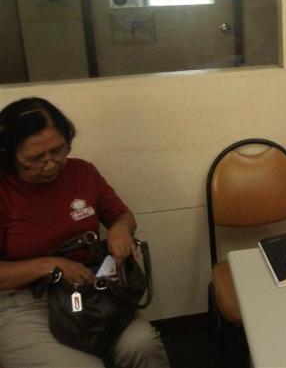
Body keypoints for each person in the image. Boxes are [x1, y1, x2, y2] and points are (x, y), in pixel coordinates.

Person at [0, 98, 170, 368]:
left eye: (58, 151)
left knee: (143, 346)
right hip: (24, 301)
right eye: (34, 159)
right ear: (9, 156)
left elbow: (123, 216)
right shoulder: (4, 190)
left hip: (89, 290)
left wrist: (121, 229)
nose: (50, 164)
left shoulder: (82, 172)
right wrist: (51, 265)